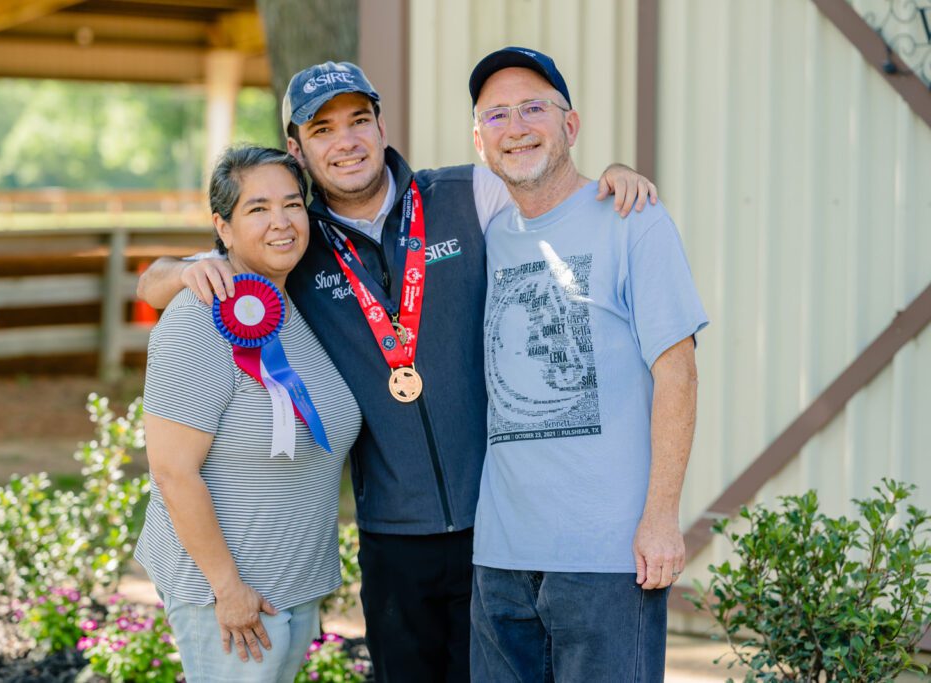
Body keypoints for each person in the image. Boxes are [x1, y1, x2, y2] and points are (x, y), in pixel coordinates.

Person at [137, 61, 658, 683]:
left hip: (494, 528)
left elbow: (550, 187)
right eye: (322, 129)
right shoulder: (297, 246)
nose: (347, 140)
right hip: (392, 539)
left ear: (382, 126)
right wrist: (167, 274)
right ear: (298, 151)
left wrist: (613, 178)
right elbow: (198, 267)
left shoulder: (467, 195)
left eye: (359, 120)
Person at [467, 47, 709, 681]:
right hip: (501, 557)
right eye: (496, 115)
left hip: (607, 556)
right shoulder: (486, 236)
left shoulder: (634, 220)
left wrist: (661, 517)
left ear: (570, 126)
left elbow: (677, 372)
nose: (515, 127)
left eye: (532, 108)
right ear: (479, 140)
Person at [135, 145, 362, 683]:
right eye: (258, 209)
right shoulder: (201, 314)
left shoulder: (296, 307)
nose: (281, 223)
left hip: (291, 583)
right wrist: (227, 588)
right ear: (224, 227)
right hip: (229, 595)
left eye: (292, 205)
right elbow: (171, 470)